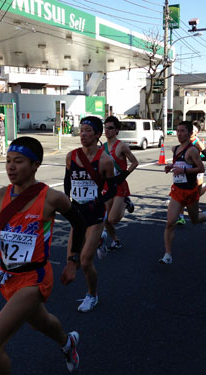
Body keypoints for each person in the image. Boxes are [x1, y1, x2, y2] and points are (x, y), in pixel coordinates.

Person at [0, 136, 85, 373]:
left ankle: (67, 342)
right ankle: (68, 342)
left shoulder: (51, 197)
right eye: (8, 161)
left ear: (35, 165)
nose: (11, 166)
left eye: (18, 161)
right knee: (42, 323)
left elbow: (79, 223)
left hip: (35, 278)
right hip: (8, 278)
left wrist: (73, 262)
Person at [64, 116, 116, 312]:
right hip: (77, 214)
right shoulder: (71, 156)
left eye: (88, 130)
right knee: (72, 261)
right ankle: (100, 241)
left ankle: (92, 295)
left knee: (85, 261)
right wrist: (67, 202)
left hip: (94, 215)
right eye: (81, 130)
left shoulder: (105, 160)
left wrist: (98, 202)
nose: (83, 134)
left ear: (97, 135)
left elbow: (111, 190)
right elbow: (68, 182)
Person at [159, 121, 206, 265]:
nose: (179, 133)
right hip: (177, 191)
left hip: (191, 191)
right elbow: (179, 165)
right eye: (178, 131)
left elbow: (201, 169)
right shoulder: (175, 149)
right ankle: (167, 255)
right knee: (170, 222)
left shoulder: (192, 150)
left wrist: (184, 171)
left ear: (189, 133)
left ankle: (204, 217)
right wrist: (171, 167)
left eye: (182, 131)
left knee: (194, 220)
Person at [101, 115, 139, 252]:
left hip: (119, 185)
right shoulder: (102, 147)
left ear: (117, 130)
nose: (107, 131)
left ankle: (125, 202)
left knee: (112, 219)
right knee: (104, 217)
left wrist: (125, 174)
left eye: (110, 128)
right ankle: (116, 240)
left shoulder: (121, 146)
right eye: (105, 128)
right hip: (107, 185)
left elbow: (135, 162)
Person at [176, 120, 206, 225]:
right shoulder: (183, 142)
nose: (191, 133)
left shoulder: (198, 143)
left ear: (196, 133)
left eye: (194, 131)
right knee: (182, 194)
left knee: (196, 194)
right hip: (185, 172)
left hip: (197, 170)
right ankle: (181, 217)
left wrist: (195, 159)